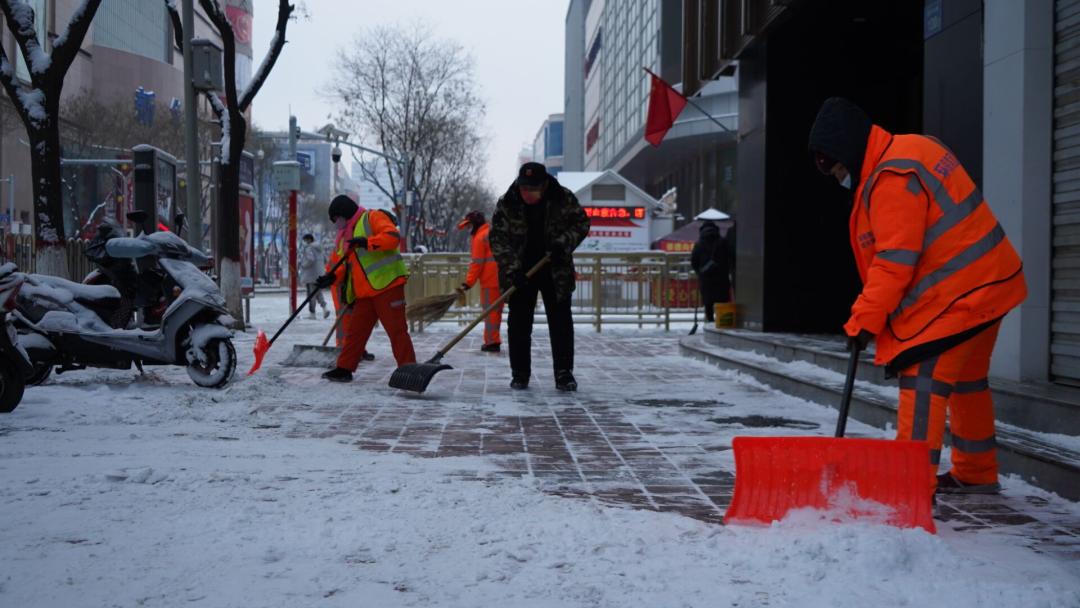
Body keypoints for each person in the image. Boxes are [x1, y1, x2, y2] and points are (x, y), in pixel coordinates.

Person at [808, 97, 1027, 495]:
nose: (843, 179)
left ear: (850, 151)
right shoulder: (914, 147)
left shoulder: (891, 177)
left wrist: (863, 321)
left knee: (922, 381)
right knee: (967, 383)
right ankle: (976, 472)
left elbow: (894, 261)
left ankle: (911, 487)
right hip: (990, 283)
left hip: (962, 295)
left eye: (841, 169)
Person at [490, 162, 590, 391]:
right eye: (525, 189)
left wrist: (562, 244)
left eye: (533, 190)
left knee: (561, 323)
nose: (528, 195)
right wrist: (512, 269)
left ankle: (564, 373)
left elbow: (582, 223)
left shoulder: (562, 198)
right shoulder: (508, 202)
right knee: (519, 324)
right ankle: (520, 374)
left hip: (555, 269)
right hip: (521, 272)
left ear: (544, 185)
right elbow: (498, 238)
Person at [314, 195, 416, 382]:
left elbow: (392, 238)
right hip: (365, 292)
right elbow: (342, 264)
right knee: (355, 333)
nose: (336, 224)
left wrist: (367, 243)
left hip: (388, 286)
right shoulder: (346, 234)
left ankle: (409, 370)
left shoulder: (373, 218)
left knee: (397, 331)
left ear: (344, 213)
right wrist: (330, 277)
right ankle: (344, 368)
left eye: (336, 219)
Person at [455, 210, 502, 352]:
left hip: (489, 280)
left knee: (490, 313)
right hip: (500, 279)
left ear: (474, 224)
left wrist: (468, 283)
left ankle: (492, 342)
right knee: (496, 312)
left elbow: (477, 263)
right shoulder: (491, 232)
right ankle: (494, 339)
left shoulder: (479, 237)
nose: (468, 229)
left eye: (469, 226)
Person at [690, 220, 731, 323]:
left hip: (706, 278)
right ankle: (722, 322)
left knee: (708, 302)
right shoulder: (723, 242)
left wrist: (699, 272)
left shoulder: (699, 244)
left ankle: (710, 321)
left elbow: (694, 261)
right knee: (722, 301)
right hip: (722, 277)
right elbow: (730, 258)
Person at [299, 233, 331, 319]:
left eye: (305, 240)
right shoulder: (319, 248)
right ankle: (325, 308)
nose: (305, 242)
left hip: (311, 275)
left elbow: (310, 259)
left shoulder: (309, 248)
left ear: (309, 240)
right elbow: (325, 260)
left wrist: (303, 265)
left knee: (311, 295)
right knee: (318, 293)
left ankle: (312, 313)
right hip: (320, 274)